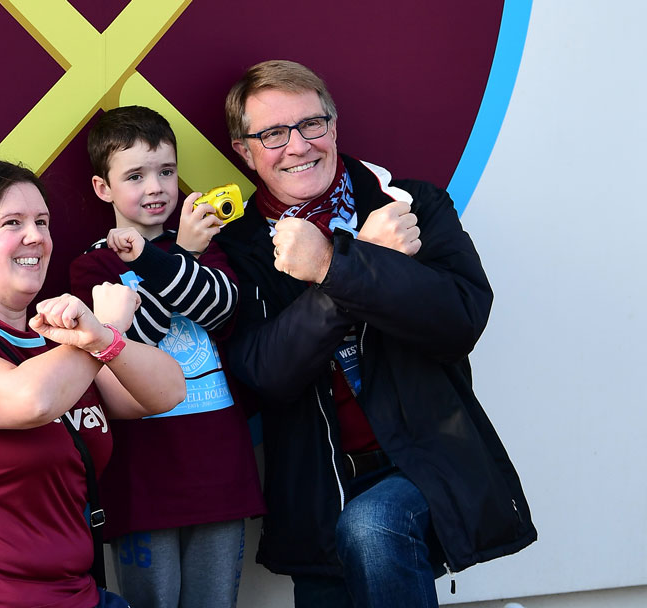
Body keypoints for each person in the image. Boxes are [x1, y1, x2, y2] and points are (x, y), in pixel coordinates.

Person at [214, 60, 537, 607]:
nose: (297, 146)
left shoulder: (410, 207)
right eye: (272, 133)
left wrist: (337, 266)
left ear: (334, 128)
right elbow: (265, 373)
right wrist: (350, 269)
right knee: (355, 532)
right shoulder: (238, 248)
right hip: (317, 496)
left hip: (422, 466)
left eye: (311, 125)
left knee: (373, 525)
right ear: (245, 152)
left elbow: (460, 319)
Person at [0, 159, 186, 608]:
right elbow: (29, 399)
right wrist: (100, 329)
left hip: (75, 596)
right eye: (13, 223)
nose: (36, 237)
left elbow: (167, 392)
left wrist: (105, 337)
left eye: (42, 222)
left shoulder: (61, 342)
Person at [69, 106, 264, 608]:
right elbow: (130, 344)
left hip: (219, 467)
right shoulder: (92, 268)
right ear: (102, 188)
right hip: (142, 477)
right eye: (135, 175)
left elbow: (222, 309)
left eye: (166, 172)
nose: (155, 187)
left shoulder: (208, 246)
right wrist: (183, 258)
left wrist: (182, 254)